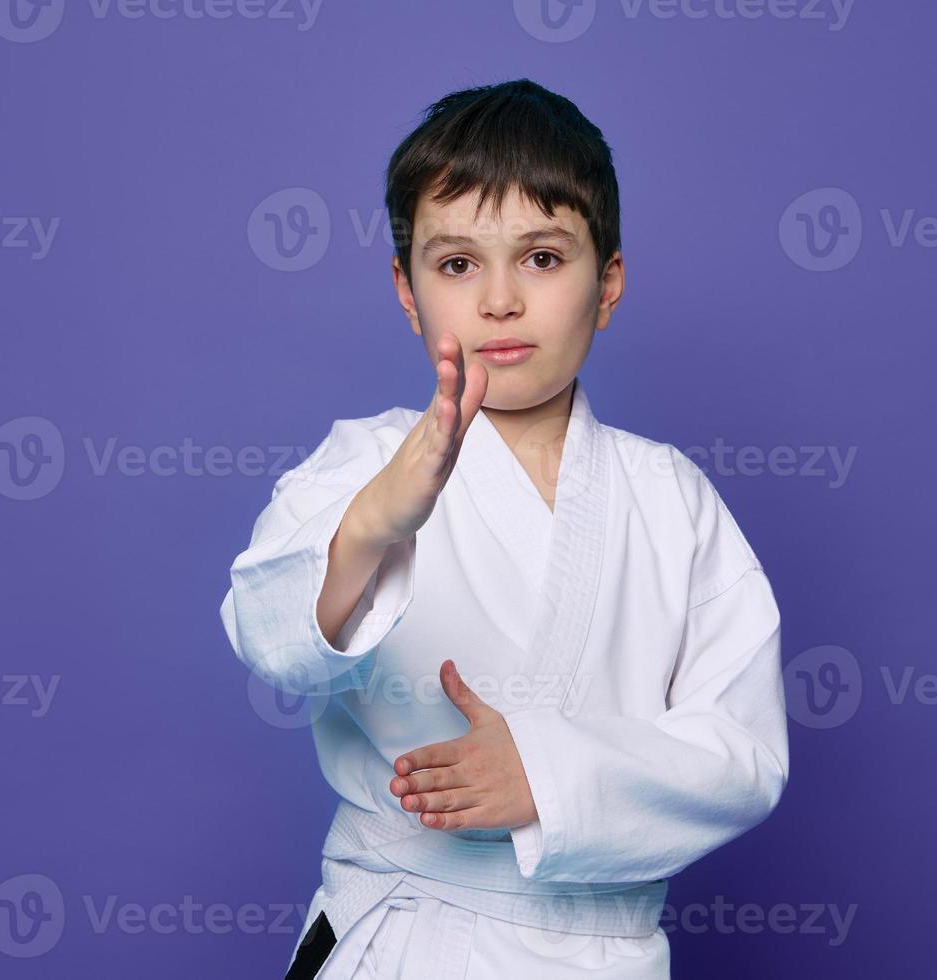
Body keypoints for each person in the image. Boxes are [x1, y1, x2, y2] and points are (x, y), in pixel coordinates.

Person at [219, 77, 789, 979]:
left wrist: (547, 778)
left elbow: (743, 756)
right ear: (407, 294)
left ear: (606, 284)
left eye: (541, 258)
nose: (498, 301)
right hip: (401, 936)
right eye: (455, 264)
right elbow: (270, 640)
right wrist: (373, 522)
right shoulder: (359, 465)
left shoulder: (670, 498)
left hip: (595, 954)